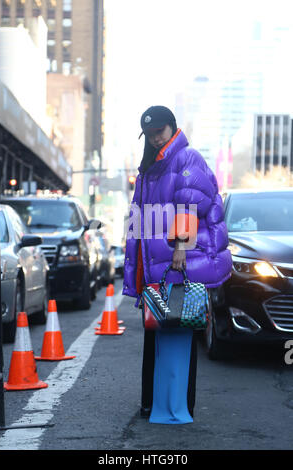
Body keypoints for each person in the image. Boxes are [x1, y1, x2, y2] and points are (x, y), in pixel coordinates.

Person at [123, 105, 232, 424]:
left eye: (161, 131)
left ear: (173, 128)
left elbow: (190, 203)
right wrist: (135, 265)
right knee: (158, 329)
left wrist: (181, 247)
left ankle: (177, 405)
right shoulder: (150, 168)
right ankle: (152, 402)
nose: (156, 138)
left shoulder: (186, 158)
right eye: (151, 133)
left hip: (176, 260)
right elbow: (138, 218)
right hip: (156, 264)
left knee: (177, 327)